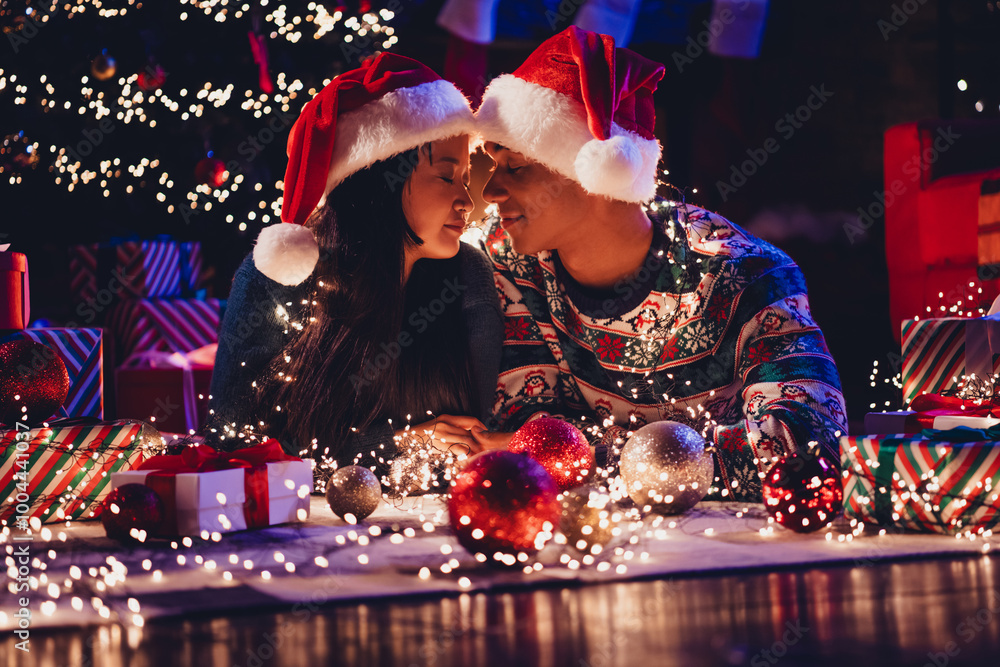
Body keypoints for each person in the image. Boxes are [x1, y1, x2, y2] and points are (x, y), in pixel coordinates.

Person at [470, 27, 847, 501]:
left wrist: (583, 456)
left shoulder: (746, 277)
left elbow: (808, 448)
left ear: (592, 171)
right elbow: (518, 432)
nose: (490, 192)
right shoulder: (506, 262)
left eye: (517, 167)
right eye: (492, 163)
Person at [206, 53, 503, 485]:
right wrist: (401, 443)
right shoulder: (285, 273)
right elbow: (234, 443)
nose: (467, 201)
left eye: (464, 177)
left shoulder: (467, 275)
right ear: (381, 180)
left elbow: (482, 433)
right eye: (446, 176)